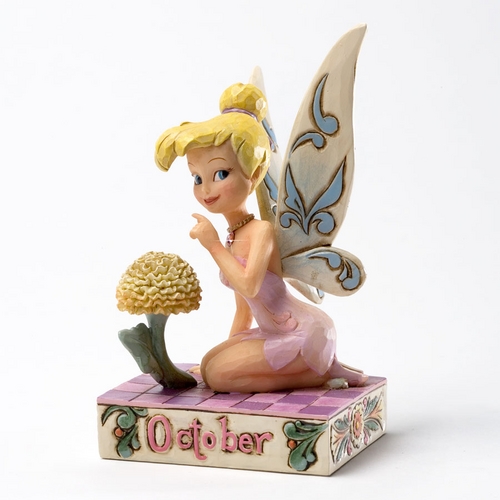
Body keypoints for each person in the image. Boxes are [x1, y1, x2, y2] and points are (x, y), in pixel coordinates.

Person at [155, 83, 366, 393]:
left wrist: (212, 245)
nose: (206, 190)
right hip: (275, 331)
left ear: (254, 175)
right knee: (209, 365)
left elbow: (250, 285)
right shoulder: (235, 236)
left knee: (219, 377)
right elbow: (244, 309)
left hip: (305, 332)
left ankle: (318, 373)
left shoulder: (261, 231)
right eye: (197, 178)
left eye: (221, 174)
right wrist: (227, 356)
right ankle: (315, 369)